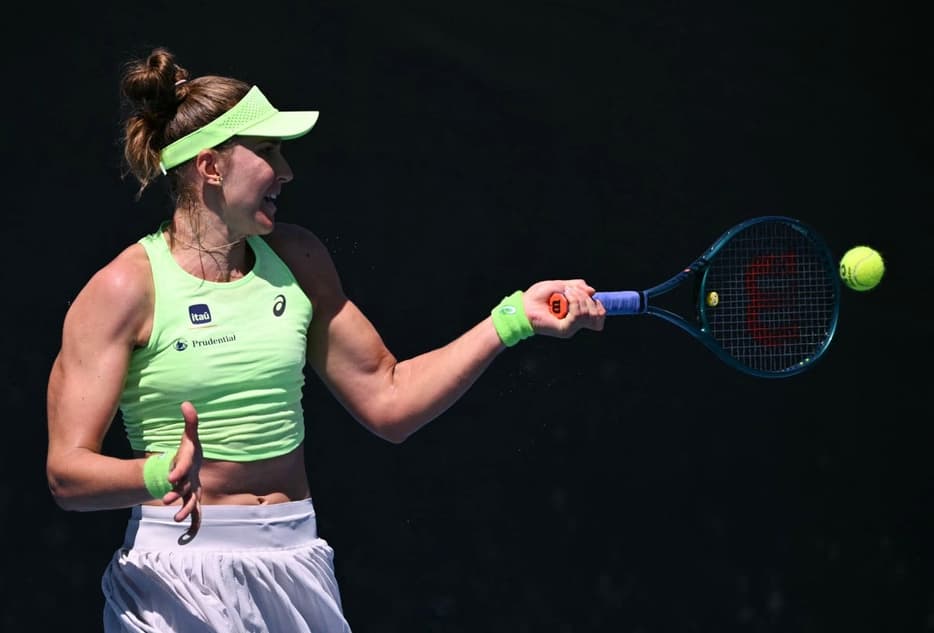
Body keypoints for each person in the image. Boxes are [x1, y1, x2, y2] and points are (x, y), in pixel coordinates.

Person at [45, 46, 606, 632]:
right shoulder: (122, 289)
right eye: (267, 152)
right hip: (175, 579)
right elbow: (67, 474)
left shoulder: (299, 257)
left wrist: (513, 318)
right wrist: (158, 474)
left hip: (297, 564)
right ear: (211, 167)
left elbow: (388, 399)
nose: (285, 171)